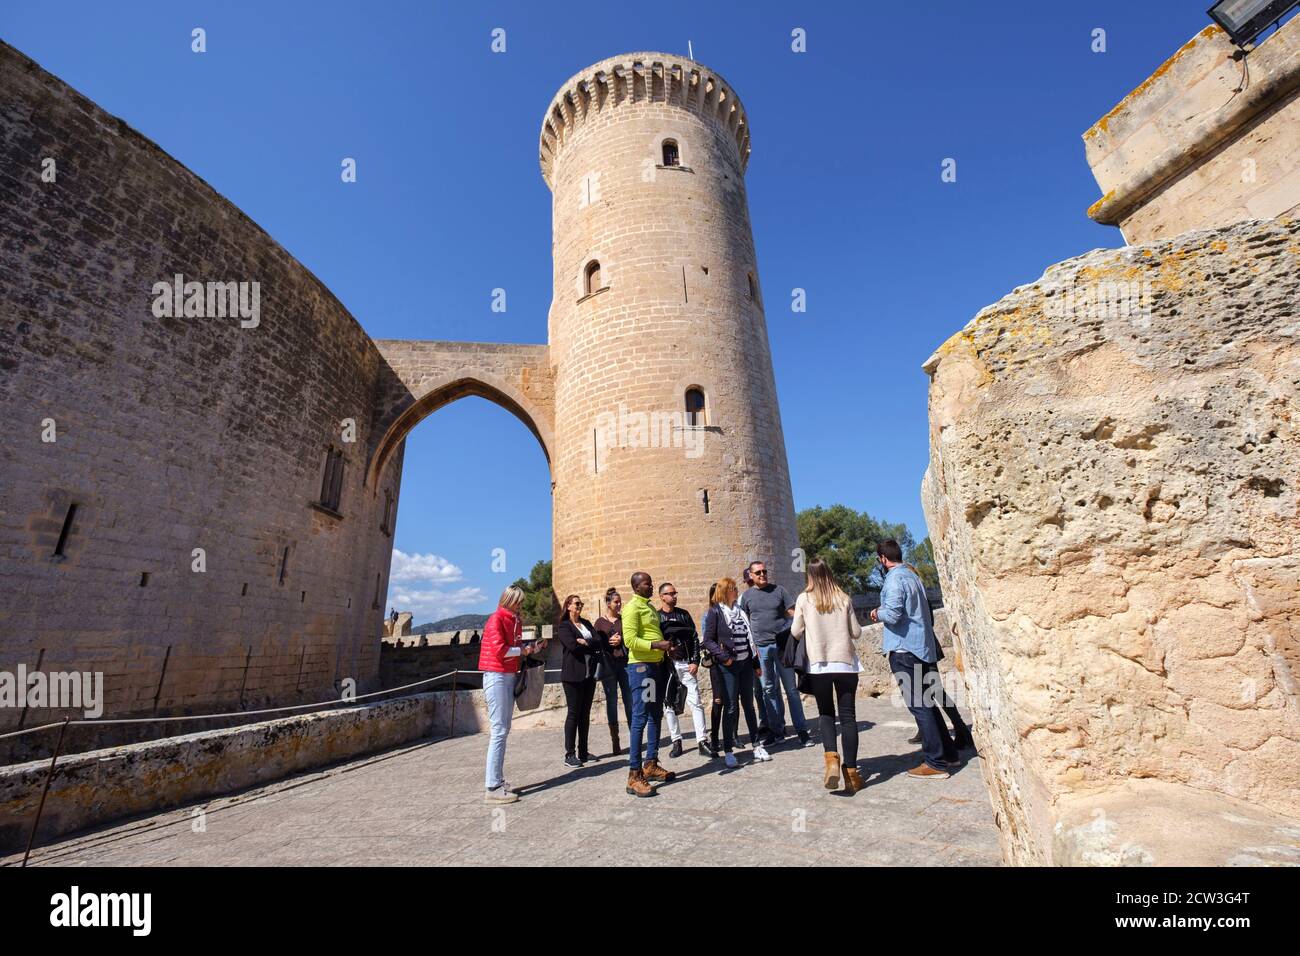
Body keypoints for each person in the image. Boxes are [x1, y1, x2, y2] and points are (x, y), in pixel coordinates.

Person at [871, 539, 973, 779]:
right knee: (929, 703)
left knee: (920, 706)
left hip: (904, 649)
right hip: (922, 647)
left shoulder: (894, 579)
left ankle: (935, 762)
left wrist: (878, 613)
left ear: (883, 559)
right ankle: (949, 755)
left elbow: (894, 614)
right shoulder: (913, 576)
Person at [791, 558, 865, 794]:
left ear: (810, 576)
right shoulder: (843, 598)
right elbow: (856, 632)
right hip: (845, 664)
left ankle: (831, 760)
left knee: (825, 713)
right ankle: (851, 773)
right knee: (848, 717)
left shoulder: (804, 598)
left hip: (819, 665)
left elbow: (795, 631)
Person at [478, 585, 549, 803]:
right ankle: (492, 786)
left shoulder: (514, 621)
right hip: (496, 675)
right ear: (509, 600)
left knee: (504, 728)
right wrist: (523, 650)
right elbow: (500, 650)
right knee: (499, 729)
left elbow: (515, 646)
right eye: (518, 602)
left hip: (508, 675)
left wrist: (532, 648)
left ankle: (497, 779)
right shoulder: (497, 619)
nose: (521, 606)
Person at [702, 576, 771, 768]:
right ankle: (729, 751)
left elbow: (751, 641)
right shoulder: (715, 612)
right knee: (731, 707)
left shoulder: (740, 611)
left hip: (745, 665)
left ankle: (757, 745)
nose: (736, 591)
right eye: (733, 588)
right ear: (725, 591)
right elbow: (707, 640)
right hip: (728, 667)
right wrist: (724, 657)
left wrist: (755, 664)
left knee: (749, 705)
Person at [740, 560, 810, 746]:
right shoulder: (746, 597)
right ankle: (777, 731)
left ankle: (802, 730)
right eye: (758, 572)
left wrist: (807, 621)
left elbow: (792, 612)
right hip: (761, 649)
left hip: (781, 647)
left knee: (792, 690)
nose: (762, 575)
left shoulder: (779, 590)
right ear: (751, 576)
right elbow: (745, 622)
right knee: (768, 690)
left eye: (764, 571)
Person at [620, 571, 677, 796]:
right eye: (647, 584)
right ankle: (634, 774)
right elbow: (630, 640)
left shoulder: (650, 607)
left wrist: (668, 648)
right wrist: (656, 646)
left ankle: (650, 763)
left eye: (651, 583)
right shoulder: (632, 608)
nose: (651, 587)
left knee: (655, 714)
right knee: (640, 718)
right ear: (636, 587)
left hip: (656, 667)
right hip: (641, 668)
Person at [657, 582, 712, 758]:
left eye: (675, 593)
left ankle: (702, 741)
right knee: (669, 704)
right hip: (668, 666)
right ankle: (676, 741)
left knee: (695, 701)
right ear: (662, 596)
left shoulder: (684, 614)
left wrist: (695, 660)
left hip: (686, 663)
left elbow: (695, 638)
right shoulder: (657, 617)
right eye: (670, 593)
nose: (674, 596)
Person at [555, 594, 599, 768]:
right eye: (576, 603)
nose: (580, 606)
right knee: (574, 713)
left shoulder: (586, 623)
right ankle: (569, 754)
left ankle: (583, 751)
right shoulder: (564, 627)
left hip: (589, 674)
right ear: (568, 606)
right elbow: (572, 646)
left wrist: (585, 642)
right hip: (572, 675)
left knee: (585, 714)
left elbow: (598, 643)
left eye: (581, 603)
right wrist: (586, 644)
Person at [593, 588, 633, 755]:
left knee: (629, 701)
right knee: (611, 702)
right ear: (608, 604)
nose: (619, 604)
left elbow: (631, 639)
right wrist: (607, 642)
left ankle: (634, 738)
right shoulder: (599, 623)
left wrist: (621, 640)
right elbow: (596, 644)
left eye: (620, 602)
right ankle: (615, 741)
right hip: (608, 666)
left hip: (625, 664)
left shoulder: (624, 620)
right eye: (616, 602)